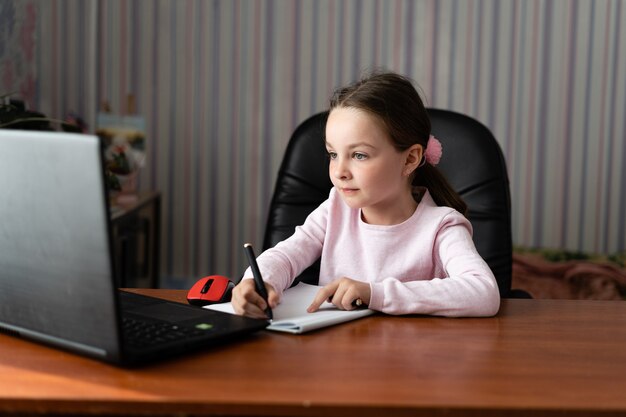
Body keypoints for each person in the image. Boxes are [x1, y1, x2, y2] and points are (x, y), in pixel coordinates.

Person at [232, 71, 500, 319]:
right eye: (333, 154)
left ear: (410, 159)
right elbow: (286, 256)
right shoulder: (334, 210)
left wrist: (375, 294)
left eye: (359, 155)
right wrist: (255, 283)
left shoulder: (441, 226)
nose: (340, 172)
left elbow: (484, 292)